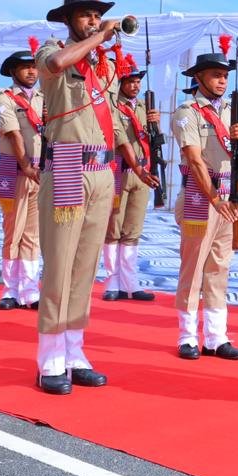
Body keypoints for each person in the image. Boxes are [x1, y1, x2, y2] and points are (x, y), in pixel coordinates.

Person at [33, 0, 135, 395]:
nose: (94, 21)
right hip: (67, 165)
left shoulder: (102, 66)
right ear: (69, 20)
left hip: (101, 171)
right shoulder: (51, 51)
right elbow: (57, 65)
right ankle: (49, 359)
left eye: (97, 15)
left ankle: (74, 352)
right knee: (60, 265)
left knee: (86, 267)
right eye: (86, 16)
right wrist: (100, 38)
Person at [171, 44, 238, 360]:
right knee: (193, 268)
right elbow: (194, 158)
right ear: (200, 77)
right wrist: (214, 198)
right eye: (216, 75)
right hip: (200, 196)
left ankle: (216, 337)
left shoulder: (232, 111)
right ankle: (187, 336)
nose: (222, 81)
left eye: (225, 76)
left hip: (228, 198)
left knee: (219, 267)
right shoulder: (187, 112)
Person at [103, 53, 161, 302]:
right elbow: (120, 140)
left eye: (138, 81)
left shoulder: (144, 107)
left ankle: (130, 283)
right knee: (113, 229)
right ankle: (112, 282)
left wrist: (155, 124)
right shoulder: (113, 106)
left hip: (143, 172)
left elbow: (152, 140)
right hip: (121, 170)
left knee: (133, 230)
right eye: (130, 81)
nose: (135, 85)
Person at [0, 40, 44, 311]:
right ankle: (10, 290)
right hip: (17, 171)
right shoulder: (4, 98)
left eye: (34, 67)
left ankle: (30, 291)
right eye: (25, 67)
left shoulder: (44, 98)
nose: (31, 71)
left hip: (39, 171)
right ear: (13, 72)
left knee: (32, 235)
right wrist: (26, 166)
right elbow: (13, 134)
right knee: (13, 232)